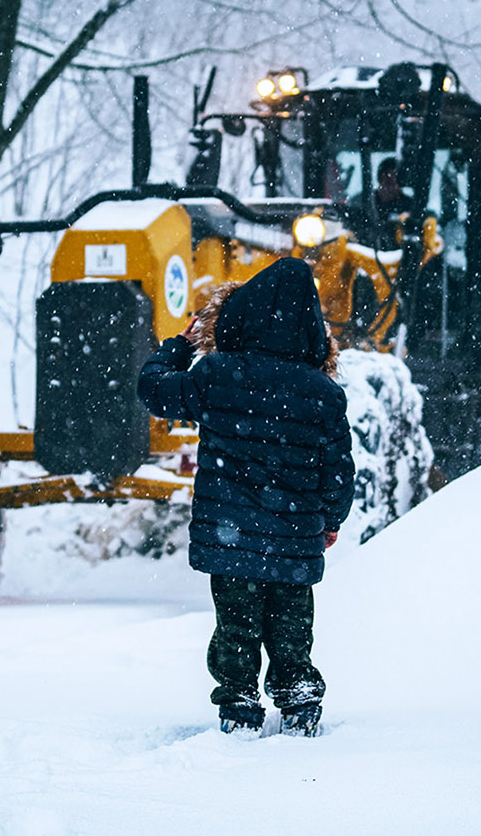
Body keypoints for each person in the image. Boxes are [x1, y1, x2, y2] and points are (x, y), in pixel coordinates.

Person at [137, 258, 355, 737]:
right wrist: (331, 519)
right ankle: (297, 700)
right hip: (297, 535)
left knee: (236, 626)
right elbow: (338, 470)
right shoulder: (323, 393)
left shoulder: (217, 374)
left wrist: (181, 344)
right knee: (292, 626)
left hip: (230, 536)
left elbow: (153, 391)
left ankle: (238, 706)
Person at [347, 156, 412, 248]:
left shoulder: (409, 206)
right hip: (364, 254)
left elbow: (427, 219)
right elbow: (347, 219)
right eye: (387, 177)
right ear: (379, 178)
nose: (391, 183)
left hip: (398, 257)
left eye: (396, 178)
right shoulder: (361, 202)